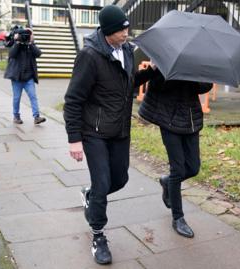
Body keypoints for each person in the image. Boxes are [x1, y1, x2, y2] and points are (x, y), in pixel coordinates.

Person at [63, 5, 150, 265]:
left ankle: (91, 196)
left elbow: (127, 83)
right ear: (108, 31)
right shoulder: (89, 56)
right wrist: (74, 139)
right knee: (102, 184)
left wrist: (150, 72)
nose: (127, 33)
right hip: (95, 132)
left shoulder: (126, 51)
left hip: (120, 131)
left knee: (120, 179)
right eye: (122, 29)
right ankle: (98, 235)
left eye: (127, 28)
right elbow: (73, 99)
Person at [138, 63, 212, 238]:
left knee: (193, 168)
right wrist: (169, 73)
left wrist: (200, 75)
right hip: (168, 119)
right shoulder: (166, 60)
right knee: (177, 170)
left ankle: (167, 182)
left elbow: (204, 87)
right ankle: (178, 218)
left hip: (191, 119)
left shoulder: (196, 61)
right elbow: (156, 87)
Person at [4, 26, 46, 125]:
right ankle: (16, 116)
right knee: (16, 98)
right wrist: (17, 41)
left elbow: (38, 53)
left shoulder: (30, 45)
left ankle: (36, 117)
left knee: (33, 96)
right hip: (17, 78)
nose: (25, 37)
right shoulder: (14, 44)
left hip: (29, 77)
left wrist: (31, 42)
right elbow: (12, 54)